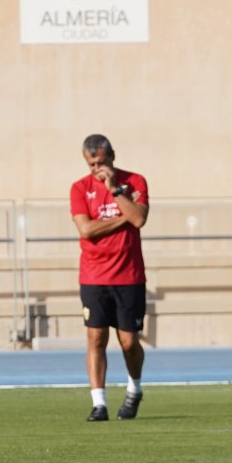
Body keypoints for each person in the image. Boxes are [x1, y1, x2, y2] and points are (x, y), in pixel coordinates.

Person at [70, 134, 150, 422]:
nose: (97, 169)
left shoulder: (135, 182)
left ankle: (134, 389)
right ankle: (99, 403)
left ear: (112, 156)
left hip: (129, 275)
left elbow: (139, 219)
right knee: (95, 338)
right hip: (93, 274)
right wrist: (125, 216)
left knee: (129, 342)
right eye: (91, 164)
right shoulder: (79, 188)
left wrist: (115, 190)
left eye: (101, 162)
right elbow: (86, 230)